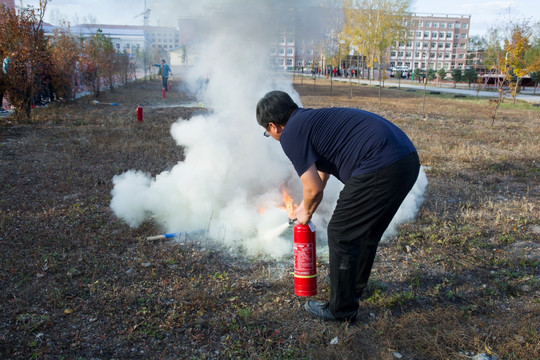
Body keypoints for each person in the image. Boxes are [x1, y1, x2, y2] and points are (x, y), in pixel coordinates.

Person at [256, 91, 420, 322]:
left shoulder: (290, 133)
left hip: (379, 164)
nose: (270, 134)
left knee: (341, 233)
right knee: (366, 233)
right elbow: (323, 170)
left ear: (274, 126)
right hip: (406, 160)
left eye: (267, 131)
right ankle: (353, 290)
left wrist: (307, 212)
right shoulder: (309, 119)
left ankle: (341, 309)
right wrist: (305, 205)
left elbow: (313, 188)